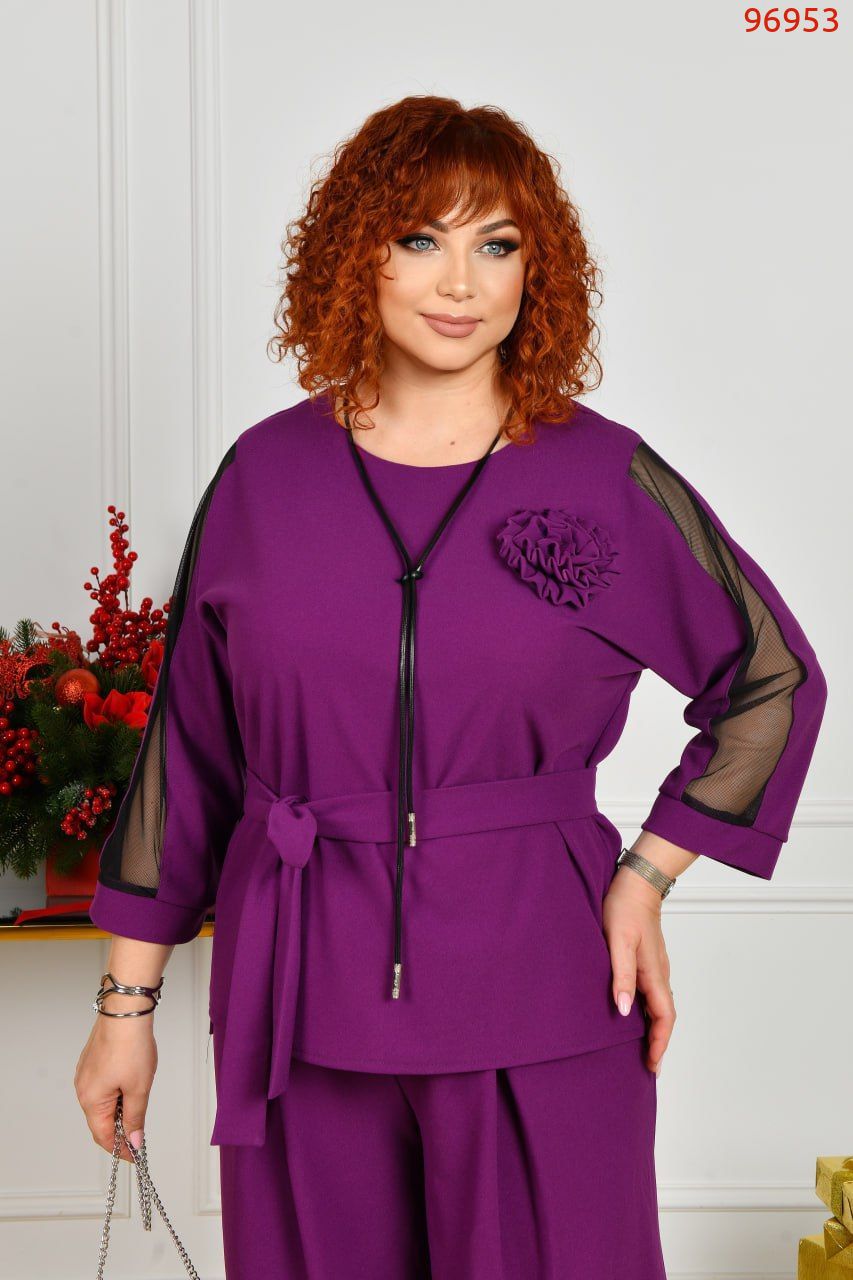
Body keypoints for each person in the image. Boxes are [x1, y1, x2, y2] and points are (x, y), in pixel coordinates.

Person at [74, 94, 828, 1279]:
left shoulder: (606, 475)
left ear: (538, 268)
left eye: (498, 243)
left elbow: (770, 677)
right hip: (300, 998)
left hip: (544, 978)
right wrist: (125, 1009)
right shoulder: (261, 476)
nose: (461, 281)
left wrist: (646, 873)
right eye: (420, 237)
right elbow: (190, 755)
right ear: (355, 254)